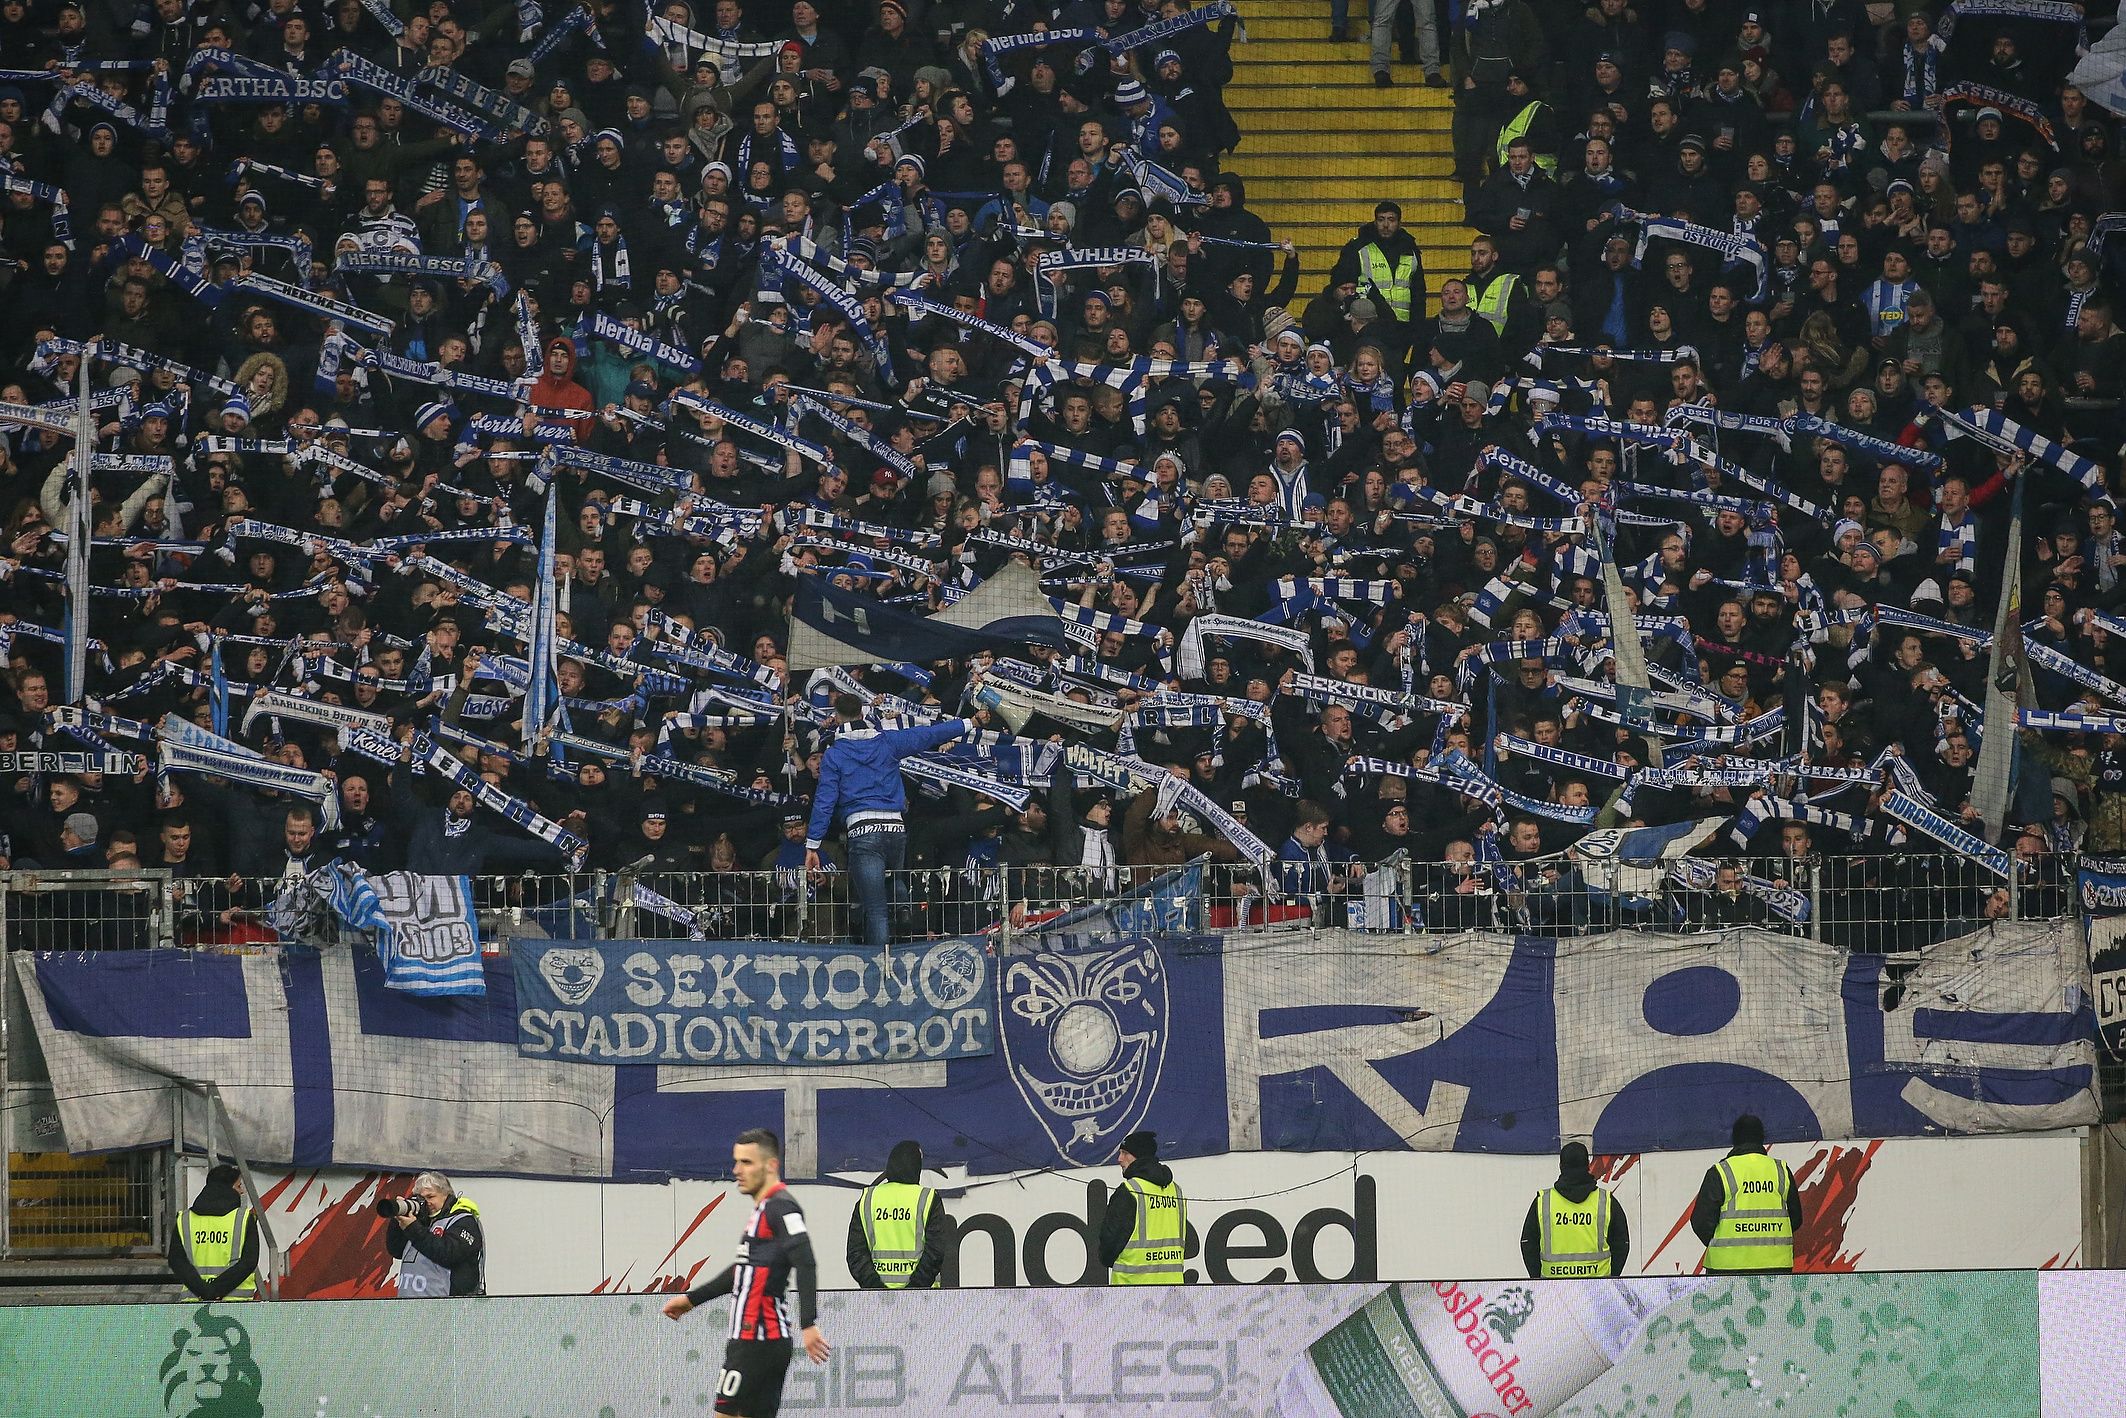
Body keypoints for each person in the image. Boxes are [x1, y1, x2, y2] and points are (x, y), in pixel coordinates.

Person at [662, 1129, 829, 1418]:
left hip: (755, 1340)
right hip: (762, 1342)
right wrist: (691, 1300)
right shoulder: (764, 1210)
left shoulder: (781, 1207)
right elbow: (742, 1271)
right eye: (736, 1161)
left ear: (771, 1165)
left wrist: (808, 1323)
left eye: (747, 1162)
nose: (737, 1170)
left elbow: (806, 1261)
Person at [804, 695, 979, 948]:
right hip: (895, 829)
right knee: (893, 876)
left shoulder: (834, 755)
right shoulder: (887, 742)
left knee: (876, 909)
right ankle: (903, 904)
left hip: (863, 829)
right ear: (862, 715)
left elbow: (824, 802)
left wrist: (813, 844)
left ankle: (880, 964)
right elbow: (928, 734)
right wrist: (969, 723)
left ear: (838, 719)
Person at [1689, 1113, 1803, 1273]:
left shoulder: (1721, 1172)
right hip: (1776, 1267)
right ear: (1762, 1138)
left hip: (1727, 1267)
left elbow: (1701, 1221)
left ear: (1734, 1139)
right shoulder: (1780, 1171)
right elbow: (1796, 1218)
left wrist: (1724, 1242)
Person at [846, 1138, 947, 1289]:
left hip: (877, 1298)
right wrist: (914, 1290)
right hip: (923, 1298)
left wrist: (876, 1288)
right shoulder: (928, 1198)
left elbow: (856, 1253)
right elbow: (935, 1253)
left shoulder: (869, 1199)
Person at [1520, 1141, 1629, 1277]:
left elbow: (1528, 1244)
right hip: (1598, 1285)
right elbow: (1622, 1244)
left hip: (1553, 1285)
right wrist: (1611, 1279)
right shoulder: (1606, 1201)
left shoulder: (1543, 1201)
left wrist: (1539, 1280)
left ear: (1560, 1166)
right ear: (1588, 1165)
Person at [1097, 1129, 1186, 1284]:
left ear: (1139, 1157)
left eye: (1125, 1153)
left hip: (1132, 1287)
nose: (1119, 1159)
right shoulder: (1176, 1190)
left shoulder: (1130, 1191)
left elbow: (1109, 1243)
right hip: (1172, 1286)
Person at [382, 1170, 485, 1297]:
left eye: (430, 1197)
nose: (426, 1203)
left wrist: (413, 1228)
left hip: (446, 1305)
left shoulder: (463, 1221)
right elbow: (396, 1250)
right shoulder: (421, 1221)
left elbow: (448, 1254)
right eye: (422, 1198)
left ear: (446, 1195)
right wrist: (398, 1219)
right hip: (408, 1303)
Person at [168, 1162, 260, 1301]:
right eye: (239, 1186)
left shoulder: (185, 1219)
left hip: (194, 1302)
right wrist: (215, 1291)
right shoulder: (243, 1219)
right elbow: (249, 1262)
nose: (242, 1191)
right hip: (236, 1304)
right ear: (227, 1188)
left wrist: (204, 1291)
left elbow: (177, 1261)